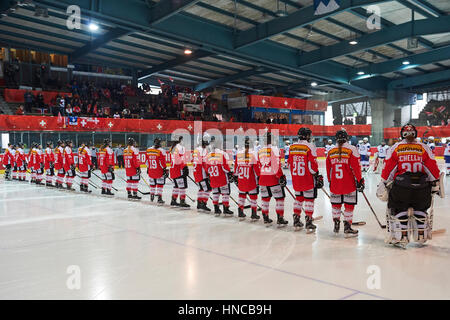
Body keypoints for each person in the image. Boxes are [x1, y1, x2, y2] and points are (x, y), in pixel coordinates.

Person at [377, 124, 441, 247]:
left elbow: (389, 169)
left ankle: (402, 235)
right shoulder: (424, 147)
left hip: (401, 188)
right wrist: (435, 182)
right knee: (421, 208)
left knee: (399, 209)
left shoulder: (396, 147)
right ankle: (421, 233)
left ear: (402, 134)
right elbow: (432, 168)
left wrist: (384, 182)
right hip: (422, 188)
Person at [326, 129, 364, 237]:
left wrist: (330, 181)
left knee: (336, 205)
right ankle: (347, 227)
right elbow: (356, 167)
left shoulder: (331, 151)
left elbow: (329, 169)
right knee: (349, 206)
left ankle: (336, 223)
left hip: (335, 183)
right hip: (349, 184)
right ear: (347, 138)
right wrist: (360, 180)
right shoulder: (352, 149)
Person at [288, 128, 324, 232]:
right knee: (309, 200)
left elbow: (289, 163)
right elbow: (312, 165)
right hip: (307, 178)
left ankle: (296, 220)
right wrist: (316, 174)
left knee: (298, 198)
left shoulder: (292, 146)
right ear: (307, 136)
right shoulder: (310, 146)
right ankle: (308, 221)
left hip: (296, 178)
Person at [257, 131, 288, 226]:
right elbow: (276, 165)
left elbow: (258, 165)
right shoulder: (274, 149)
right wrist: (281, 176)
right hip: (273, 179)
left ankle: (265, 217)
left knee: (265, 199)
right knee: (279, 199)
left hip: (263, 178)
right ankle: (280, 218)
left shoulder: (260, 150)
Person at [204, 136, 233, 216]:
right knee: (225, 193)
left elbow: (207, 169)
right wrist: (230, 172)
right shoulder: (222, 154)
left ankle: (216, 208)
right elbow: (226, 168)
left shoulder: (208, 155)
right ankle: (226, 208)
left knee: (215, 193)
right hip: (222, 178)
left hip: (213, 178)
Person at [233, 137, 260, 220]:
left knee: (241, 196)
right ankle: (254, 213)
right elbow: (256, 170)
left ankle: (240, 212)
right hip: (250, 181)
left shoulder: (239, 154)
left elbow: (236, 169)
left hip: (241, 180)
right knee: (253, 197)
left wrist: (235, 177)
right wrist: (259, 178)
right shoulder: (253, 154)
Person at [192, 133, 212, 212]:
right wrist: (208, 172)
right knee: (208, 189)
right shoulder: (203, 150)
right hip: (202, 174)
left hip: (196, 173)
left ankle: (199, 203)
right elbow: (204, 163)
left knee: (201, 189)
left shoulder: (196, 149)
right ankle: (203, 203)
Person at [169, 136, 190, 208]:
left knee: (176, 186)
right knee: (182, 186)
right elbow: (180, 159)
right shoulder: (180, 147)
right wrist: (184, 167)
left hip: (173, 170)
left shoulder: (172, 147)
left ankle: (173, 200)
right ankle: (182, 201)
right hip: (179, 170)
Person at [145, 138, 167, 204]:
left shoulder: (148, 150)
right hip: (159, 171)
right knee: (160, 184)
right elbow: (162, 162)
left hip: (151, 170)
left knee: (152, 184)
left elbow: (146, 161)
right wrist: (164, 169)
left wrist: (148, 168)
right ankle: (159, 198)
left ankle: (152, 196)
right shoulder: (161, 150)